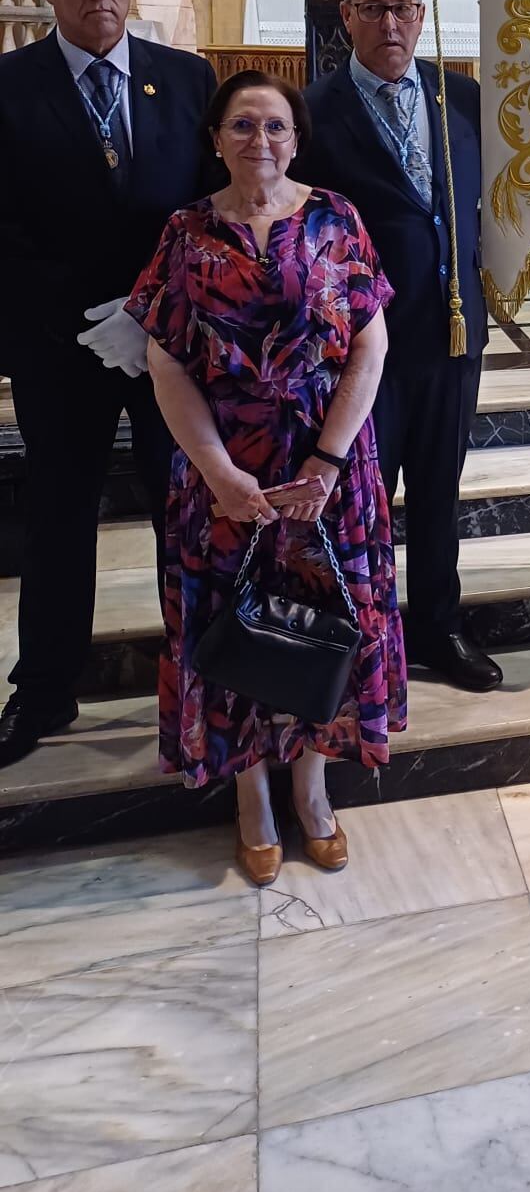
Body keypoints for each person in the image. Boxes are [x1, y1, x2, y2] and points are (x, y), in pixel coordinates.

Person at [126, 71, 405, 883]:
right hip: (225, 473)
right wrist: (218, 475)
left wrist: (324, 461)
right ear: (216, 137)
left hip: (327, 467)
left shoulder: (335, 219)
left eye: (276, 126)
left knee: (323, 624)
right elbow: (165, 362)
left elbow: (370, 346)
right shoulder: (185, 234)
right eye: (243, 125)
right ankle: (251, 795)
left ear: (296, 138)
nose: (261, 141)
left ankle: (312, 789)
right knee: (232, 627)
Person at [0, 0, 219, 769]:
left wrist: (152, 310)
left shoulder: (185, 80)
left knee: (184, 510)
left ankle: (196, 671)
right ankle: (46, 689)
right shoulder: (10, 88)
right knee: (59, 515)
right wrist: (92, 315)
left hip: (169, 346)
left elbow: (206, 214)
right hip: (62, 347)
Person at [296, 0, 501, 692]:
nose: (391, 22)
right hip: (361, 350)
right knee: (362, 497)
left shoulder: (466, 98)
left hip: (451, 332)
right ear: (346, 17)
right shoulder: (313, 114)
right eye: (374, 8)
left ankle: (440, 626)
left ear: (422, 17)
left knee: (441, 489)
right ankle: (362, 637)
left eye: (404, 8)